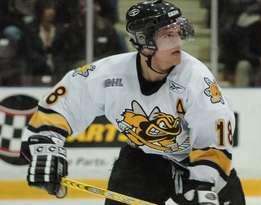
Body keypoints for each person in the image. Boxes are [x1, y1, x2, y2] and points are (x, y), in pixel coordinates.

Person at [20, 0, 246, 205]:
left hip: (195, 162)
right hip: (142, 162)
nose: (178, 41)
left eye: (179, 33)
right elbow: (61, 107)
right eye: (168, 35)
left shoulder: (197, 78)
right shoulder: (107, 74)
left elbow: (214, 139)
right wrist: (45, 148)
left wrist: (203, 184)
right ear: (144, 41)